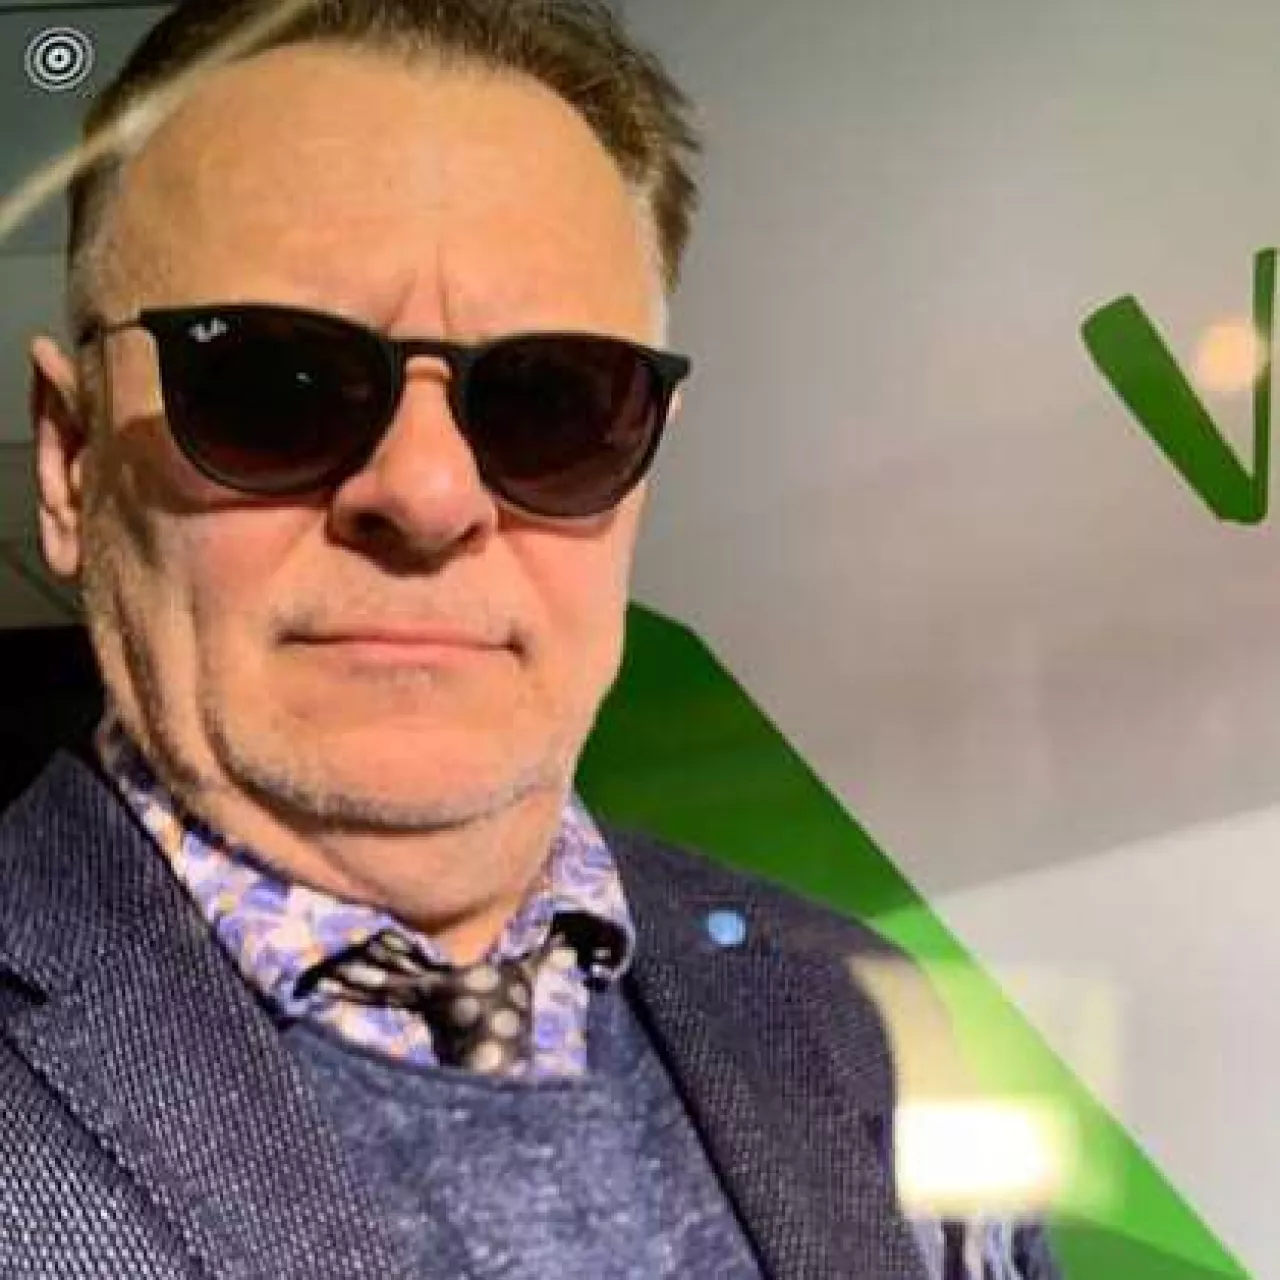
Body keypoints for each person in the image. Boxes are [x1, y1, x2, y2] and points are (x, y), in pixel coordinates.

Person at [2, 1, 1060, 1276]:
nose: (428, 492)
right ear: (69, 462)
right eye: (277, 382)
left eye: (553, 400)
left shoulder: (866, 1014)